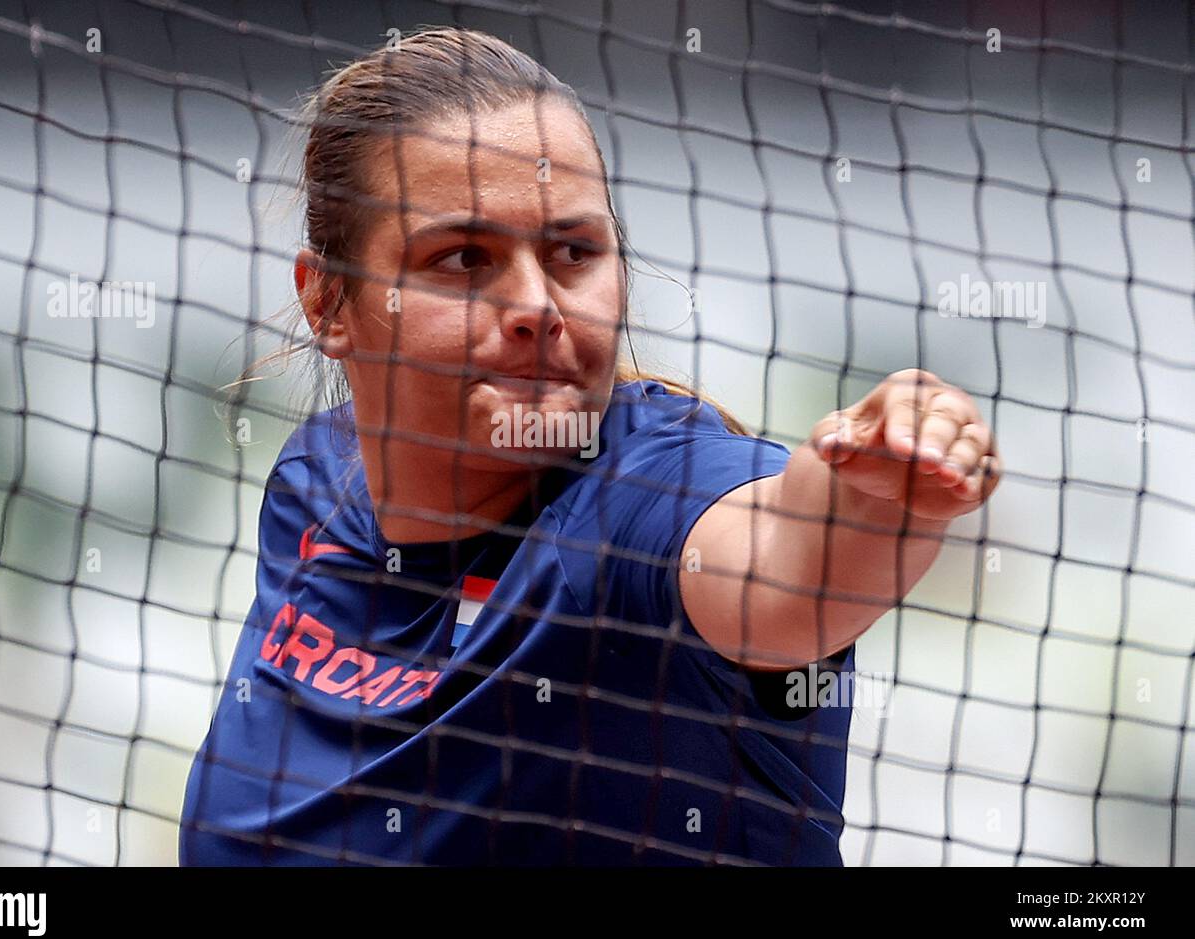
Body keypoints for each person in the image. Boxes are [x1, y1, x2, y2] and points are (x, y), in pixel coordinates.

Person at [179, 26, 1001, 866]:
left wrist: (874, 497)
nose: (538, 303)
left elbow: (787, 564)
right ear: (328, 305)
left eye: (574, 252)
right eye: (465, 258)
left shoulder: (648, 502)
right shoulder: (317, 481)